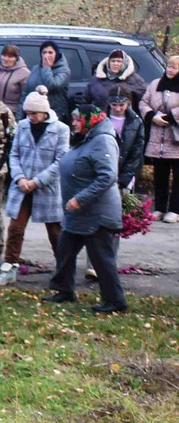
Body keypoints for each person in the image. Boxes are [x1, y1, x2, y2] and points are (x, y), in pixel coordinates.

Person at [44, 103, 126, 314]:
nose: (73, 123)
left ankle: (115, 301)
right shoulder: (86, 138)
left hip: (96, 213)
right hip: (78, 214)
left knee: (101, 258)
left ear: (90, 120)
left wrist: (80, 199)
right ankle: (64, 290)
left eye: (77, 119)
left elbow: (107, 176)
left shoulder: (103, 140)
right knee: (65, 249)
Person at [0, 92, 67, 283]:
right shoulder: (23, 126)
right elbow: (14, 154)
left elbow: (61, 161)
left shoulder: (61, 129)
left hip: (47, 188)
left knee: (55, 231)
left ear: (44, 112)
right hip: (22, 187)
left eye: (34, 113)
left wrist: (37, 181)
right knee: (15, 229)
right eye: (28, 113)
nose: (31, 117)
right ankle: (10, 267)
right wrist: (20, 179)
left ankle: (64, 269)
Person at [142, 53, 179, 222]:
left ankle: (175, 210)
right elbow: (144, 102)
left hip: (175, 138)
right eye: (169, 66)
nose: (170, 70)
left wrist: (169, 117)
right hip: (158, 138)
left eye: (174, 67)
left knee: (177, 177)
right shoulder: (156, 84)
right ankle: (159, 208)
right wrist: (151, 116)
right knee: (160, 176)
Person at [107, 88, 146, 194]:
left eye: (121, 105)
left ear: (128, 103)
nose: (118, 108)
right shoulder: (102, 119)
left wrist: (123, 180)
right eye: (114, 105)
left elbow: (136, 153)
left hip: (127, 171)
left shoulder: (136, 121)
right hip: (105, 171)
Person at [28, 41, 71, 113]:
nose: (46, 56)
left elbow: (51, 85)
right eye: (44, 52)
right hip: (34, 112)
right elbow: (26, 91)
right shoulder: (35, 68)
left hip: (53, 113)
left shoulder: (63, 70)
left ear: (56, 54)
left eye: (50, 52)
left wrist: (46, 68)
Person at [0, 45, 31, 110]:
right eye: (4, 55)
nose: (6, 59)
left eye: (10, 57)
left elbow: (24, 98)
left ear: (16, 58)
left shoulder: (24, 73)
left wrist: (19, 116)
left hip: (12, 111)